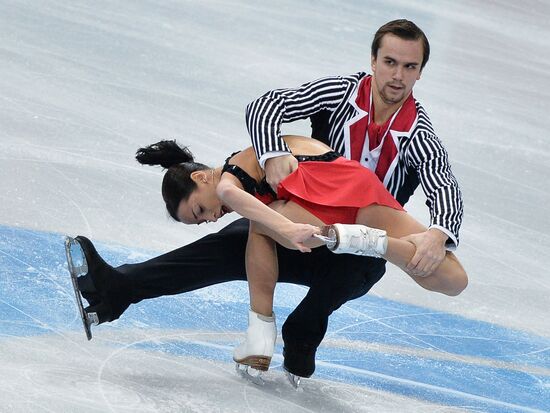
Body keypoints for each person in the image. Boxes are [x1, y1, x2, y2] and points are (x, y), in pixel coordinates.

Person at [70, 18, 466, 380]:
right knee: (236, 237)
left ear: (419, 72)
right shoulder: (341, 92)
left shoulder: (420, 135)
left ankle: (302, 330)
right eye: (390, 62)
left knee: (348, 261)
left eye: (409, 67)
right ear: (374, 60)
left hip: (355, 247)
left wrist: (439, 233)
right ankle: (120, 288)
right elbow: (266, 106)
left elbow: (444, 184)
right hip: (301, 218)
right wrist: (272, 152)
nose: (397, 75)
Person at [134, 135, 467, 371]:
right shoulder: (248, 165)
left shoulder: (228, 181)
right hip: (357, 187)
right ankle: (370, 241)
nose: (209, 218)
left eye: (198, 210)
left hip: (324, 195)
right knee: (452, 280)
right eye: (200, 221)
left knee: (259, 223)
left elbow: (239, 201)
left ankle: (260, 336)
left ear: (200, 177)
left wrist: (286, 228)